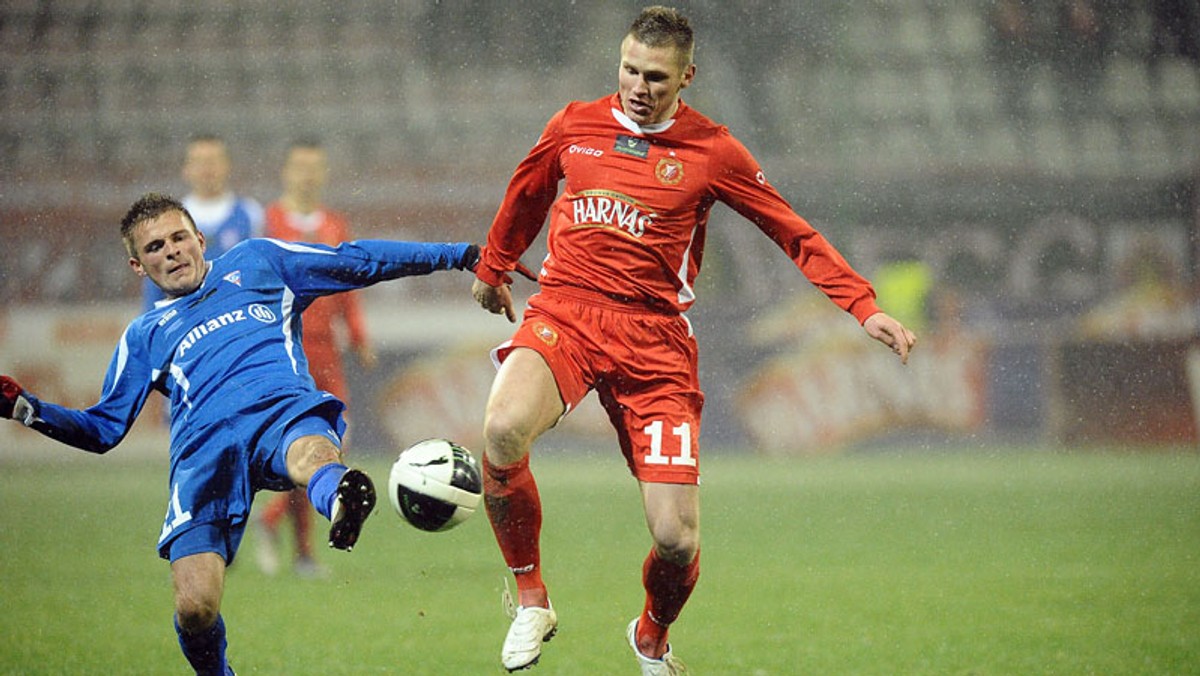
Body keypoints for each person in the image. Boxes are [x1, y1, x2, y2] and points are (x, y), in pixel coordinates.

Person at [469, 6, 916, 674]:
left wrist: (860, 304)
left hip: (655, 343)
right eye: (628, 70)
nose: (638, 86)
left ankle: (651, 636)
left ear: (686, 77)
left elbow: (790, 229)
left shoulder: (714, 151)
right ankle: (532, 598)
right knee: (502, 429)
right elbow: (526, 192)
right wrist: (493, 266)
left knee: (676, 539)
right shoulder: (574, 125)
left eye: (655, 76)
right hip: (568, 311)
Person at [0, 193, 480, 675]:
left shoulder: (259, 262)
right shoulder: (144, 335)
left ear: (200, 239)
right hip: (203, 456)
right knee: (195, 608)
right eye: (154, 247)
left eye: (178, 237)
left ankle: (340, 499)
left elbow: (356, 260)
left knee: (311, 452)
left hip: (280, 411)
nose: (171, 251)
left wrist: (459, 255)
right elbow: (102, 428)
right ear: (137, 266)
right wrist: (26, 408)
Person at [255, 139, 377, 578]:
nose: (307, 176)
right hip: (286, 351)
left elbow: (346, 284)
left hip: (327, 353)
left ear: (323, 174)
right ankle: (302, 551)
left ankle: (275, 527)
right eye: (300, 167)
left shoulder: (334, 224)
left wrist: (358, 335)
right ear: (286, 172)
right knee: (304, 449)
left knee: (329, 448)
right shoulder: (266, 222)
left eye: (315, 168)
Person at [142, 134, 264, 313]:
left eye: (213, 161)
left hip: (237, 322)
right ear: (186, 169)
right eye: (200, 162)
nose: (207, 169)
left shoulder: (250, 214)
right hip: (186, 325)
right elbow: (155, 286)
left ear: (227, 166)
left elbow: (260, 274)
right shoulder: (166, 220)